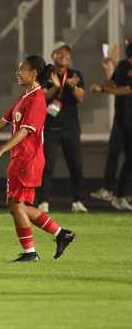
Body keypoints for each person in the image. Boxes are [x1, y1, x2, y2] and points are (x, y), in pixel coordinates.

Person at [0, 56, 77, 262]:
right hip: (23, 158)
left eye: (22, 69)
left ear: (34, 73)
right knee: (20, 206)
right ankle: (61, 234)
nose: (18, 73)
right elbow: (3, 122)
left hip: (27, 159)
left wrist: (0, 150)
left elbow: (25, 132)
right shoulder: (24, 98)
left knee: (15, 205)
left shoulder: (37, 99)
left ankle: (30, 253)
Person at [35, 42, 87, 213]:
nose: (64, 55)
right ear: (53, 56)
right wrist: (56, 87)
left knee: (76, 166)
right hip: (51, 127)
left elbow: (81, 98)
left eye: (66, 52)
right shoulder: (46, 74)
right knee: (47, 166)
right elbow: (41, 97)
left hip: (71, 127)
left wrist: (72, 87)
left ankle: (78, 201)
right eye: (60, 52)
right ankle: (43, 201)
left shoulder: (75, 75)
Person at [89, 39, 132, 209]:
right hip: (123, 118)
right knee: (120, 154)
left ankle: (117, 193)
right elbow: (115, 86)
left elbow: (123, 88)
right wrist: (108, 70)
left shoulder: (122, 65)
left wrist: (103, 88)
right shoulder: (122, 66)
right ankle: (114, 192)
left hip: (127, 117)